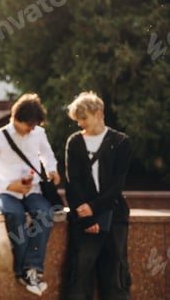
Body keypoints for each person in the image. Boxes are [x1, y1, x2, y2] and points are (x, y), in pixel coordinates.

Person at [0, 93, 60, 297]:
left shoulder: (39, 134)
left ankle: (31, 269)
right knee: (15, 215)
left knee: (44, 213)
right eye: (29, 125)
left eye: (35, 125)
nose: (31, 129)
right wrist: (9, 185)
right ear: (16, 118)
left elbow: (48, 156)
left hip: (33, 190)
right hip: (6, 193)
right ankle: (26, 272)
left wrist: (52, 170)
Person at [64, 91, 132, 300]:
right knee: (79, 277)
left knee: (115, 277)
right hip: (83, 219)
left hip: (114, 216)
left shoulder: (120, 141)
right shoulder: (74, 142)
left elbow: (117, 184)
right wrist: (88, 217)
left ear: (99, 113)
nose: (80, 123)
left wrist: (95, 208)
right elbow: (71, 183)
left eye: (83, 118)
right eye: (78, 119)